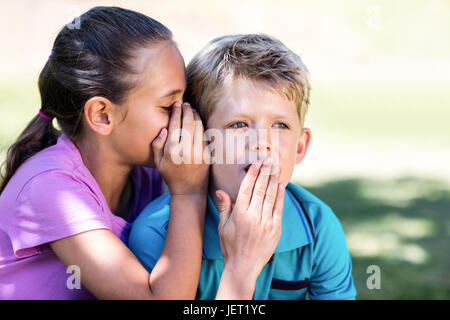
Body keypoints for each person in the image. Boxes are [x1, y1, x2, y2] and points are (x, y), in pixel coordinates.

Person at [0, 6, 210, 300]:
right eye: (167, 106)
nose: (184, 115)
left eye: (184, 100)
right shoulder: (49, 186)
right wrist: (189, 193)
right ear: (102, 115)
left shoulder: (148, 172)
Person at [128, 34, 357, 300]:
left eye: (280, 125)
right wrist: (242, 269)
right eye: (239, 124)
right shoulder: (157, 234)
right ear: (198, 141)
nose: (262, 143)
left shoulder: (318, 227)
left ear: (299, 147)